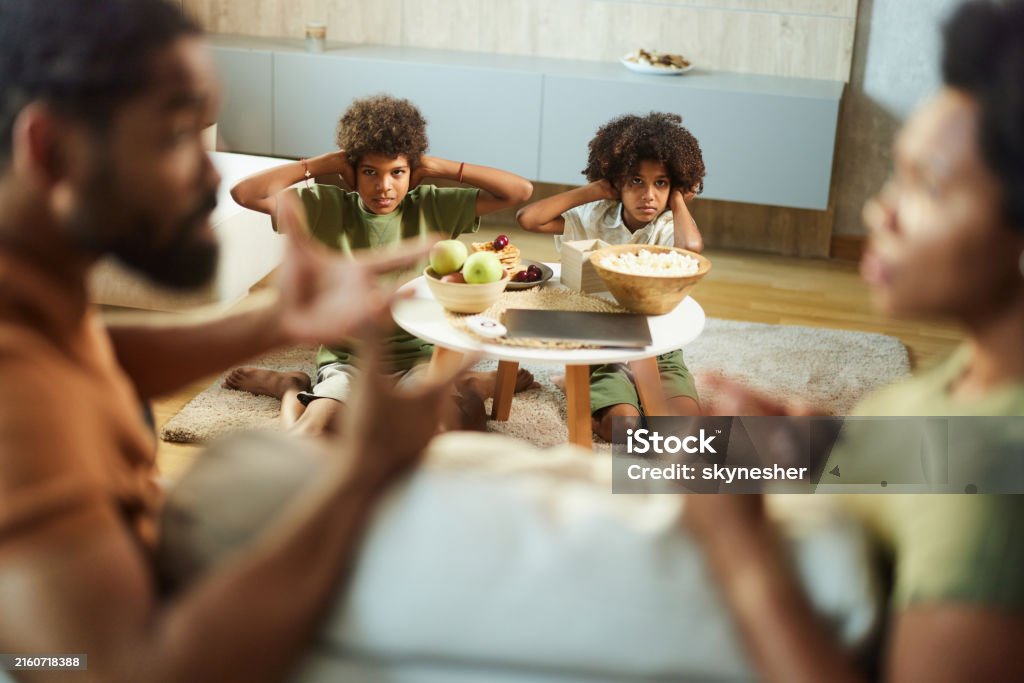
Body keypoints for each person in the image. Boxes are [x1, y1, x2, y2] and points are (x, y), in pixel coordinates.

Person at [0, 1, 460, 680]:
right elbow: (110, 671)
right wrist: (364, 473)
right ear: (52, 149)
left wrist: (274, 322)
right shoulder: (18, 404)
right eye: (175, 135)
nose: (214, 175)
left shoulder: (33, 293)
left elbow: (87, 360)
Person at [685, 2, 1024, 680]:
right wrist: (816, 444)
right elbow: (943, 453)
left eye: (926, 184)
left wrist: (737, 544)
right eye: (896, 172)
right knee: (640, 455)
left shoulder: (992, 515)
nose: (880, 211)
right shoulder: (983, 371)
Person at [225, 94, 537, 435]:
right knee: (314, 433)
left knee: (444, 430)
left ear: (412, 173)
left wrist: (437, 166)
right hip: (348, 361)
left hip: (418, 356)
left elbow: (518, 192)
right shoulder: (323, 207)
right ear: (351, 174)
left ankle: (473, 385)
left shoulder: (432, 205)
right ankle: (290, 385)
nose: (383, 186)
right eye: (370, 172)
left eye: (397, 172)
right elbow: (245, 194)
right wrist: (323, 164)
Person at [516, 112, 706, 441]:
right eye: (636, 181)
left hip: (658, 348)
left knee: (683, 428)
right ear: (617, 182)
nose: (649, 194)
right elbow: (529, 218)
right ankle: (585, 395)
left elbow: (692, 250)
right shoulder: (596, 217)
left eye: (660, 182)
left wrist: (676, 198)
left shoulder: (667, 224)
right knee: (625, 429)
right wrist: (594, 190)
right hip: (606, 345)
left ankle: (604, 395)